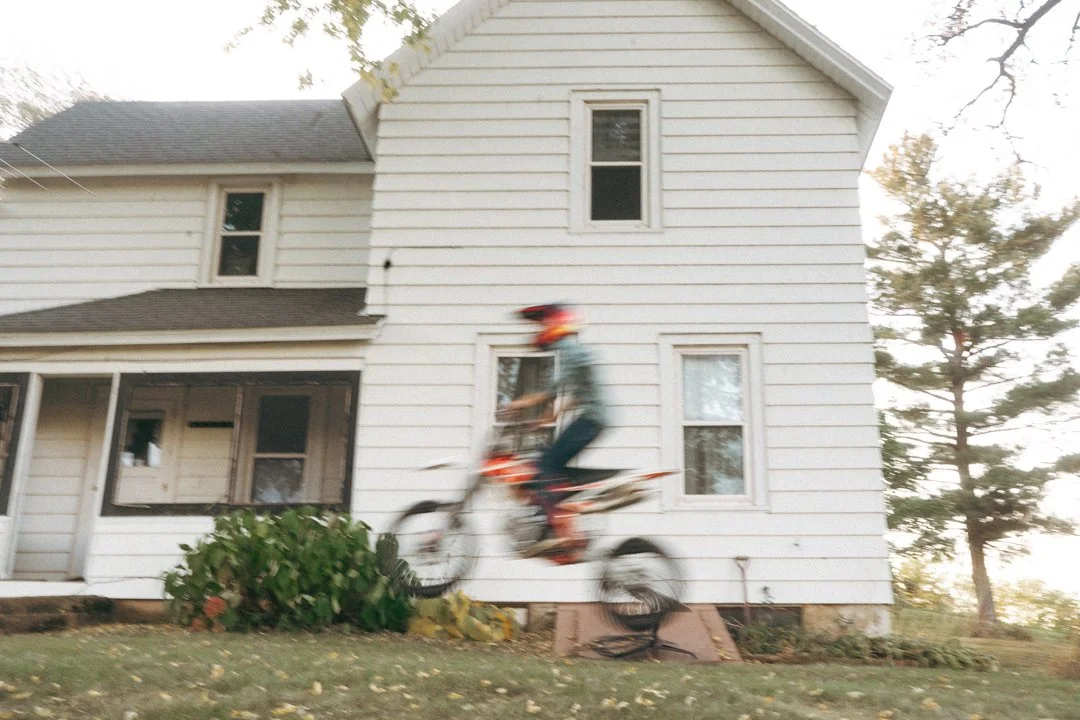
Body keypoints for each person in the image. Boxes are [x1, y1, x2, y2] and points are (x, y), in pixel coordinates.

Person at [504, 304, 609, 555]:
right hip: (593, 416)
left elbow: (557, 386)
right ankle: (552, 519)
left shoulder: (570, 349)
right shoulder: (572, 351)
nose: (540, 330)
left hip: (592, 419)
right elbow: (578, 393)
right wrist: (547, 417)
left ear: (554, 324)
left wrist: (523, 402)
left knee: (547, 464)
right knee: (546, 458)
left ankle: (563, 528)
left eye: (542, 324)